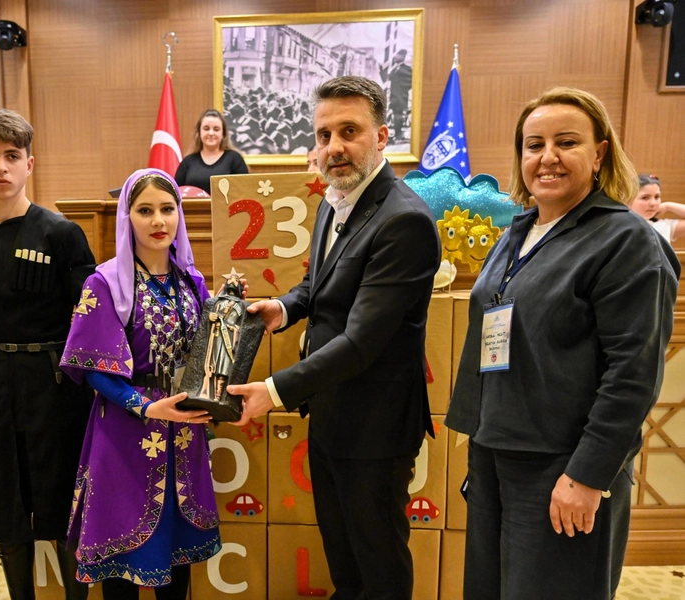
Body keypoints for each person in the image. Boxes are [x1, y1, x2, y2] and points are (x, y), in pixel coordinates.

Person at [445, 87, 680, 600]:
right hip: (495, 454)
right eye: (534, 145)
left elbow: (633, 374)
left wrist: (588, 476)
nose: (547, 157)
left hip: (563, 466)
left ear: (599, 154)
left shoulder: (626, 240)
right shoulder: (519, 231)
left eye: (566, 142)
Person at [231, 75, 441, 600]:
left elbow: (362, 341)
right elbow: (322, 284)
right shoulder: (334, 200)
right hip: (331, 413)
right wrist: (284, 307)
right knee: (344, 561)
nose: (334, 147)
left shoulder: (404, 221)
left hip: (375, 428)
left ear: (381, 136)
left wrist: (273, 391)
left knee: (378, 566)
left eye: (350, 131)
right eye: (324, 135)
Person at [0, 109, 95, 600]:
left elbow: (92, 320)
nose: (1, 167)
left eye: (12, 156)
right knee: (5, 512)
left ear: (30, 163)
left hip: (54, 384)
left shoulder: (61, 233)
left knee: (64, 508)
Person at [60, 168, 220, 600]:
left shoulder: (192, 281)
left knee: (177, 556)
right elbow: (94, 368)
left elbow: (211, 351)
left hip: (183, 430)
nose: (158, 221)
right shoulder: (104, 282)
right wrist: (146, 406)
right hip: (125, 432)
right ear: (126, 217)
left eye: (167, 209)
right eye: (145, 210)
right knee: (122, 560)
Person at [174, 109, 248, 194]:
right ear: (199, 132)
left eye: (216, 129)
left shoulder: (235, 159)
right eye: (206, 129)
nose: (211, 133)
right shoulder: (188, 162)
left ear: (223, 134)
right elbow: (175, 194)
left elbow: (245, 191)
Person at [629, 174, 685, 243]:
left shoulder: (663, 226)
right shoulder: (621, 227)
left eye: (657, 197)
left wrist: (668, 206)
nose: (653, 203)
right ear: (628, 201)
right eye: (645, 198)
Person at [383, 49, 412, 143]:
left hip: (401, 97)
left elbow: (410, 83)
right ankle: (397, 135)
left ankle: (398, 136)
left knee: (398, 116)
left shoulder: (407, 69)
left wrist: (402, 91)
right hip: (393, 97)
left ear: (403, 56)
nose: (395, 57)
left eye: (398, 55)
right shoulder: (394, 68)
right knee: (395, 116)